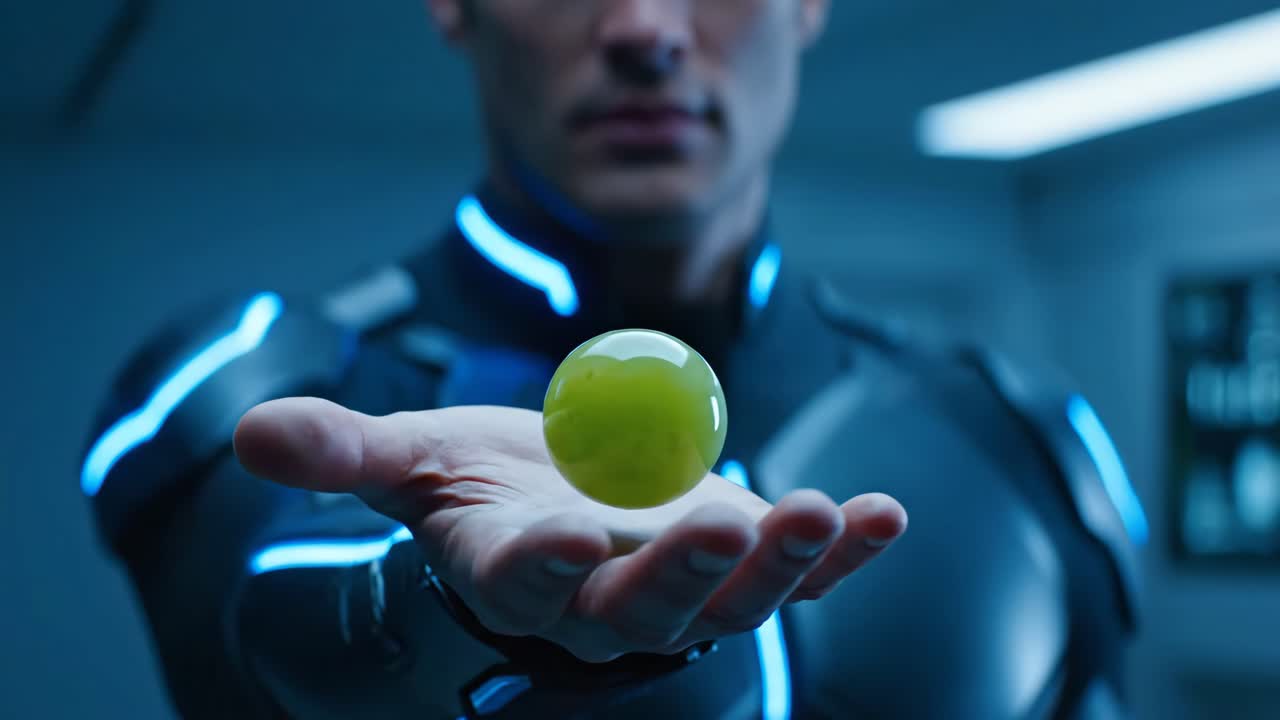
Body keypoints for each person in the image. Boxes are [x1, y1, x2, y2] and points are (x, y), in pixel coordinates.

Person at [81, 1, 1143, 718]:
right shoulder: (252, 380)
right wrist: (445, 602)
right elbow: (266, 636)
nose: (644, 28)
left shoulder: (1020, 438)